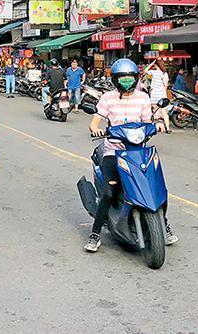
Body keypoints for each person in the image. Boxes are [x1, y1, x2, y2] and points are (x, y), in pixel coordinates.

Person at [84, 58, 176, 252]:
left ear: (136, 78)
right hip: (114, 151)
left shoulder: (142, 98)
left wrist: (157, 125)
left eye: (130, 77)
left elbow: (147, 120)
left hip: (138, 150)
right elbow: (95, 122)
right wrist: (96, 129)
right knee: (110, 192)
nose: (127, 81)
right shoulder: (107, 98)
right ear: (116, 80)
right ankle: (95, 234)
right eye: (122, 78)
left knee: (154, 185)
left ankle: (163, 224)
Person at [144, 59, 170, 131]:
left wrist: (151, 63)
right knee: (164, 111)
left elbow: (145, 71)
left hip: (154, 94)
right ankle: (167, 128)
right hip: (162, 94)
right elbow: (166, 86)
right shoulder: (165, 74)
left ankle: (152, 127)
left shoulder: (154, 72)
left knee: (153, 111)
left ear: (156, 65)